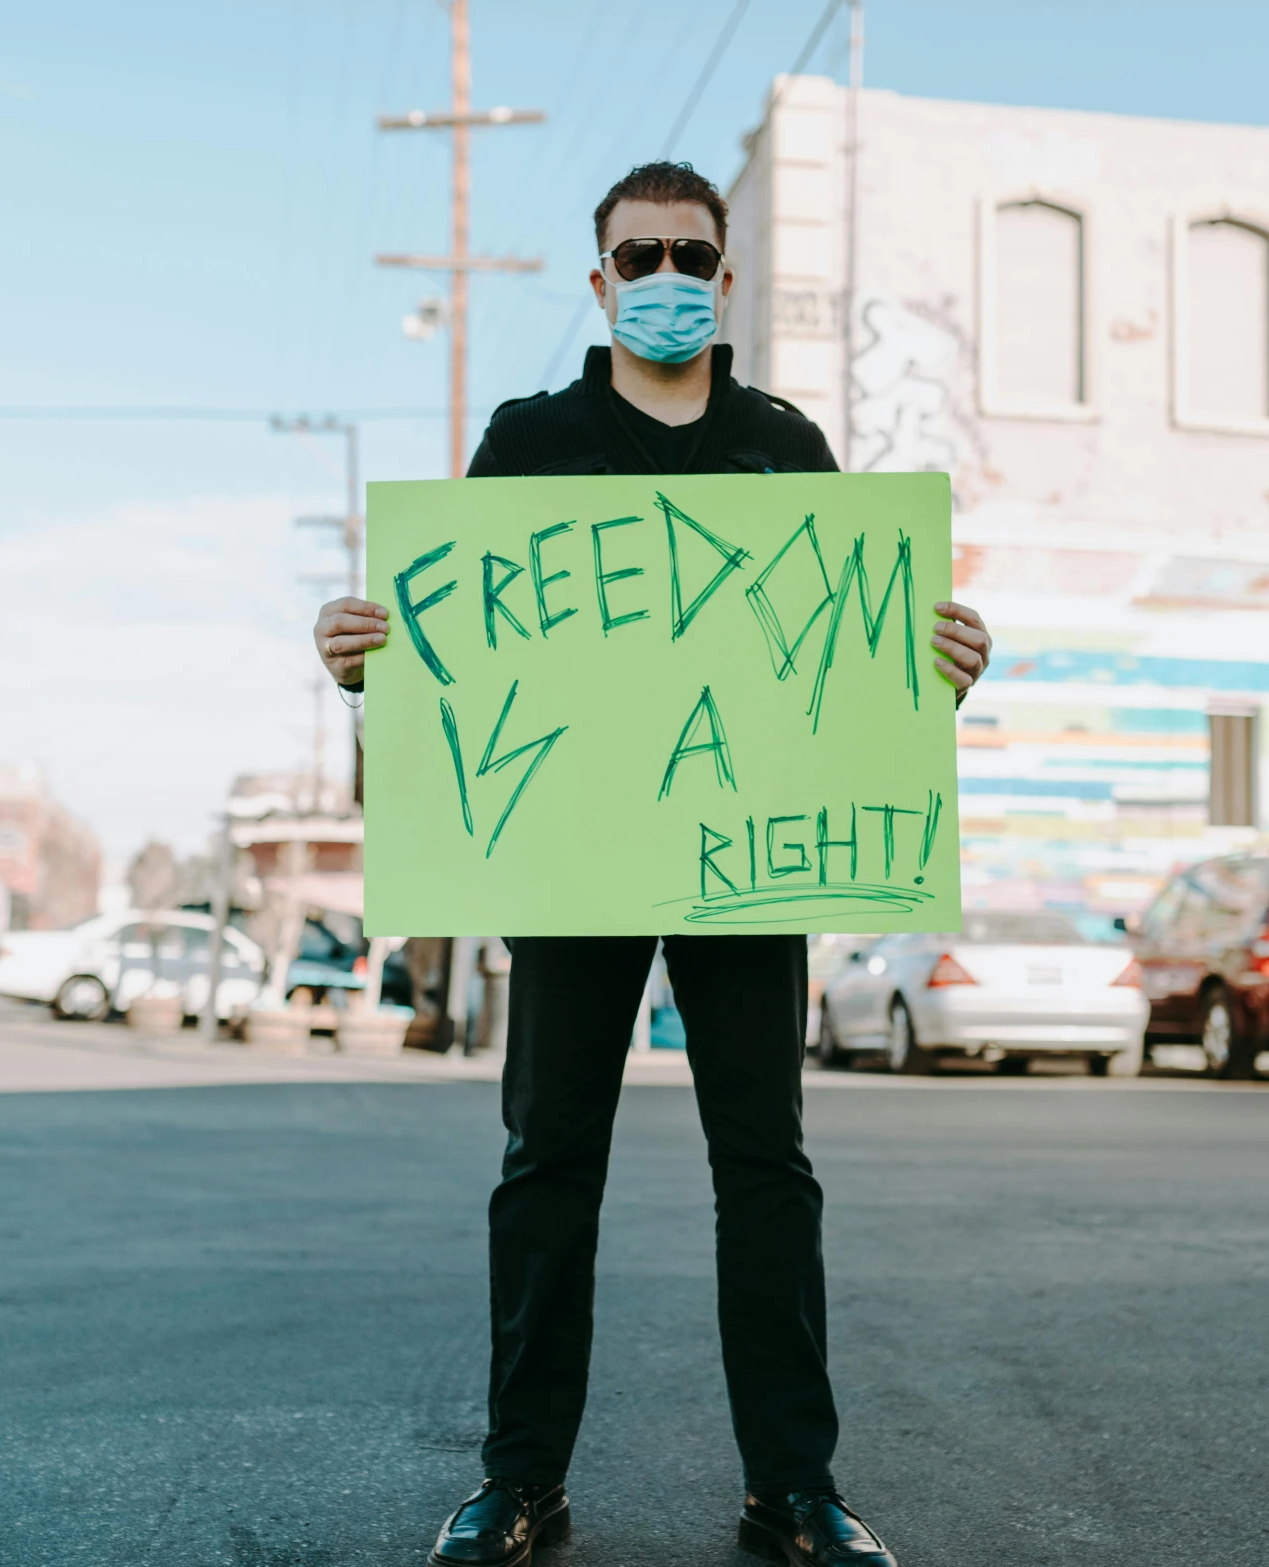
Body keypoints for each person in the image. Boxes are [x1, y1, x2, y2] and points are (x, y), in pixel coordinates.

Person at [312, 161, 994, 1567]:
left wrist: (939, 672)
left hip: (749, 859)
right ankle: (520, 1482)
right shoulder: (529, 439)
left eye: (691, 254)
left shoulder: (784, 443)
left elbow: (849, 662)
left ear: (725, 276)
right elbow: (459, 648)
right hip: (572, 859)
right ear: (599, 277)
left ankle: (792, 1487)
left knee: (765, 1167)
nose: (667, 277)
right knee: (547, 1163)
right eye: (640, 257)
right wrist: (363, 662)